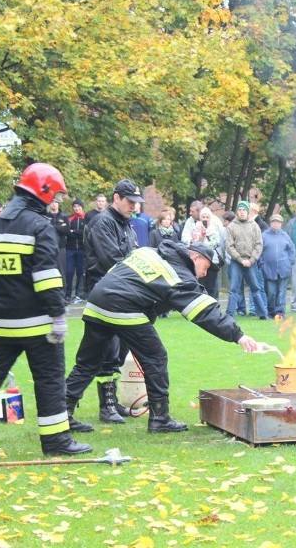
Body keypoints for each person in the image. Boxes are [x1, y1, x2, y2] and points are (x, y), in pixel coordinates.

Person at [0, 163, 91, 458]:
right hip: (37, 323)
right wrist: (58, 315)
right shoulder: (39, 227)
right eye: (54, 195)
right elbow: (46, 277)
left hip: (3, 321)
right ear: (43, 191)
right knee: (49, 378)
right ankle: (56, 440)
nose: (55, 201)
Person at [66, 242, 259, 433]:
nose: (204, 274)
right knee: (155, 357)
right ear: (196, 257)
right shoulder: (178, 274)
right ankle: (160, 418)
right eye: (206, 267)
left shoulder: (149, 251)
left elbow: (125, 276)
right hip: (123, 307)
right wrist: (238, 335)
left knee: (88, 363)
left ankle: (63, 414)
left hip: (96, 301)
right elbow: (203, 311)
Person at [79, 179, 144, 425]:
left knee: (120, 348)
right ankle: (105, 405)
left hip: (122, 293)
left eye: (137, 203)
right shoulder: (102, 222)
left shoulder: (126, 224)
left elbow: (133, 254)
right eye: (130, 202)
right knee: (107, 350)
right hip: (104, 292)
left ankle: (111, 400)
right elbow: (111, 260)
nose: (134, 207)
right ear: (116, 197)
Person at [226, 201, 268, 319]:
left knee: (255, 288)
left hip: (251, 261)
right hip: (236, 262)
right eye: (239, 210)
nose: (242, 212)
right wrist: (240, 259)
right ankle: (229, 314)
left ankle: (262, 314)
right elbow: (229, 246)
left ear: (247, 212)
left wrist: (252, 259)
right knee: (234, 288)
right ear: (236, 212)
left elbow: (259, 244)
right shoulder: (231, 226)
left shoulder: (254, 226)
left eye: (244, 210)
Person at [260, 214, 296, 319]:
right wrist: (262, 265)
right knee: (271, 293)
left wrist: (290, 263)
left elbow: (292, 250)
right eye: (274, 222)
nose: (276, 224)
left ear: (281, 224)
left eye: (278, 222)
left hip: (283, 269)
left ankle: (280, 312)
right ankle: (271, 312)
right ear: (270, 223)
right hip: (269, 270)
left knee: (281, 292)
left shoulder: (285, 236)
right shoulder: (264, 236)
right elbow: (259, 252)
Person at [187, 206, 223, 298]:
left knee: (212, 286)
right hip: (200, 262)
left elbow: (216, 244)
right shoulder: (196, 229)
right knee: (200, 285)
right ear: (200, 217)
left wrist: (206, 236)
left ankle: (213, 306)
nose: (205, 219)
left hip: (212, 261)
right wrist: (201, 237)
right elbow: (195, 245)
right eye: (203, 217)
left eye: (207, 217)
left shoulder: (214, 230)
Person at [65, 199, 87, 304]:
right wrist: (74, 232)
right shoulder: (69, 219)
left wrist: (74, 231)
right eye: (75, 206)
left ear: (82, 207)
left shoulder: (86, 218)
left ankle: (78, 294)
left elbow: (85, 233)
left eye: (78, 206)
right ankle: (68, 294)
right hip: (70, 249)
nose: (76, 208)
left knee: (79, 273)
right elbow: (67, 232)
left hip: (82, 250)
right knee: (69, 272)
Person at [46, 200, 69, 293]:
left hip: (61, 247)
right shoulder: (45, 216)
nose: (54, 204)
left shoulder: (64, 216)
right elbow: (45, 230)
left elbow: (67, 231)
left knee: (62, 271)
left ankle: (62, 293)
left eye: (56, 202)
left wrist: (53, 227)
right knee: (49, 271)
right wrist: (60, 227)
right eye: (52, 202)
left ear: (59, 204)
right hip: (48, 247)